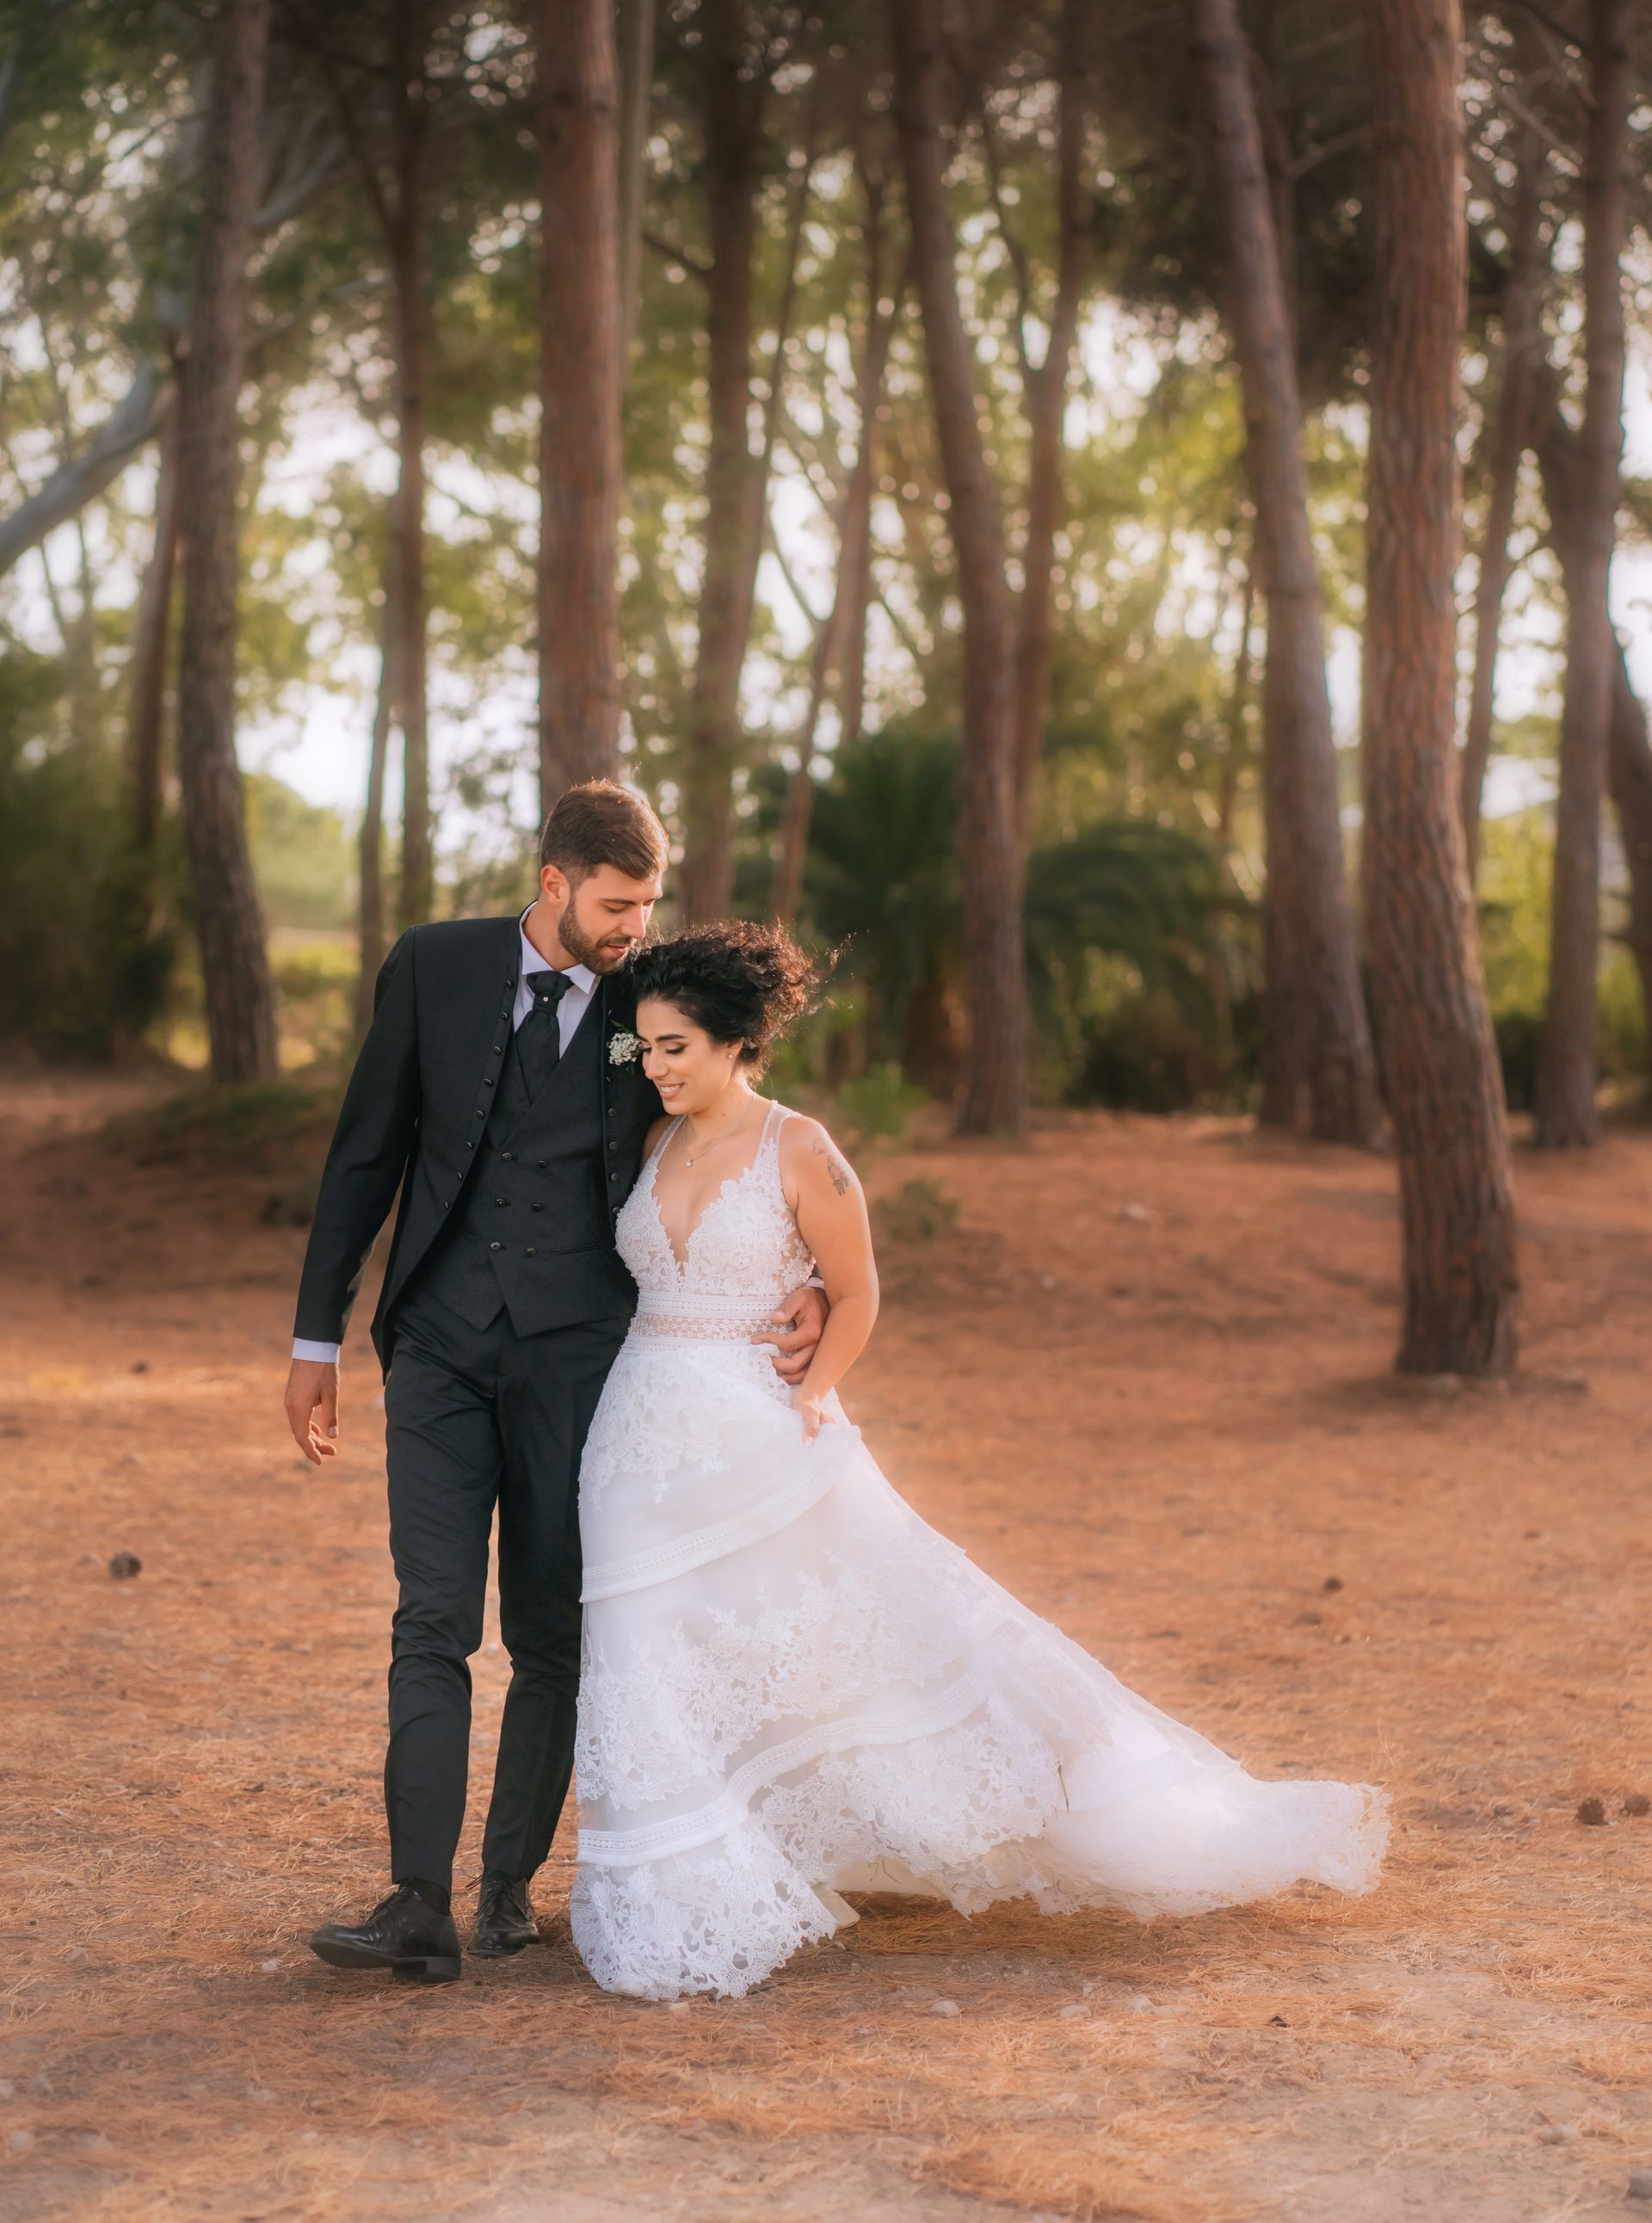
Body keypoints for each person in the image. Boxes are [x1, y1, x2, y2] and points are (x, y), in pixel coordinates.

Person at [570, 922, 1387, 2002]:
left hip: (763, 1444)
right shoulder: (652, 1141)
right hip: (635, 1444)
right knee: (649, 1660)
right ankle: (690, 1877)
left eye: (675, 1047)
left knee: (880, 1638)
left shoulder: (800, 1147)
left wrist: (811, 1393)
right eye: (648, 1047)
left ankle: (1021, 1795)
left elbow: (857, 1292)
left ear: (737, 1043)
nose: (657, 1066)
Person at [281, 783, 824, 1981]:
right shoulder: (433, 968)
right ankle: (415, 1902)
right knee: (430, 1617)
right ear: (554, 882)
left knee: (547, 1633)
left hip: (583, 1361)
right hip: (436, 1347)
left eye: (647, 905)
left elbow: (742, 1126)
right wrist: (316, 1339)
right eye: (617, 903)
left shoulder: (650, 1003)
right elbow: (365, 1151)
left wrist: (815, 1277)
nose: (634, 925)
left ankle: (505, 1891)